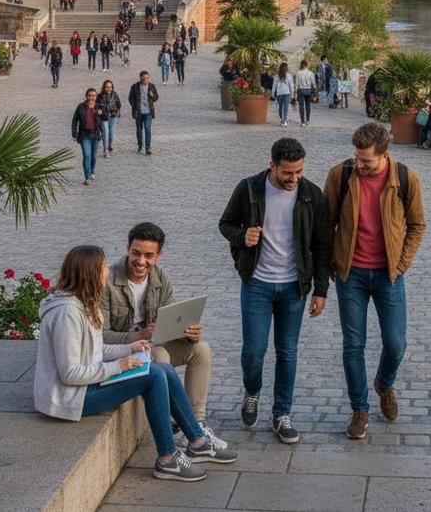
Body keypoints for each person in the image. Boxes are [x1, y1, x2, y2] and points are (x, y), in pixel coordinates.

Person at [34, 245, 236, 483]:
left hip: (87, 384)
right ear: (90, 274)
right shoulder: (67, 314)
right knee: (153, 376)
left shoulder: (84, 304)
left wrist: (130, 348)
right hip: (72, 396)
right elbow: (70, 374)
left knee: (163, 368)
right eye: (103, 267)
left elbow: (96, 350)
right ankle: (167, 459)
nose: (107, 272)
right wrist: (119, 366)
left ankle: (198, 441)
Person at [218, 137, 329, 445]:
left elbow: (322, 245)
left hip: (294, 286)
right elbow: (225, 224)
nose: (294, 179)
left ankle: (282, 414)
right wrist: (243, 236)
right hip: (257, 283)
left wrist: (320, 290)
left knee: (287, 351)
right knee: (254, 352)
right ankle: (252, 390)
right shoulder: (249, 189)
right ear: (272, 166)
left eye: (299, 172)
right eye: (287, 173)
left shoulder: (311, 195)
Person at [323, 122, 427, 440]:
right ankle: (360, 409)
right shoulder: (340, 175)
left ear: (384, 155)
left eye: (366, 160)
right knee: (353, 345)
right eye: (357, 157)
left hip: (388, 275)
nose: (360, 164)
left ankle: (384, 383)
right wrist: (331, 264)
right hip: (351, 274)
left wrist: (402, 263)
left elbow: (417, 225)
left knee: (396, 343)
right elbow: (325, 224)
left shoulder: (405, 178)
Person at [102, 222, 213, 425]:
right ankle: (169, 420)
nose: (141, 261)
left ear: (159, 255)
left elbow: (171, 321)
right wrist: (139, 336)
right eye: (136, 253)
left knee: (201, 350)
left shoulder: (161, 277)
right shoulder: (108, 281)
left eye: (148, 255)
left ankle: (196, 423)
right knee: (160, 355)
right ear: (127, 249)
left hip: (151, 344)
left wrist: (189, 335)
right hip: (121, 351)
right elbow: (101, 336)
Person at [71, 88, 103, 185]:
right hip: (84, 135)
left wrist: (102, 112)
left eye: (93, 96)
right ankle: (87, 177)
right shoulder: (81, 106)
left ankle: (92, 171)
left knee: (93, 157)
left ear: (96, 97)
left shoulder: (99, 106)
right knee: (87, 156)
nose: (91, 97)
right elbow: (75, 120)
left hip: (96, 134)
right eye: (89, 95)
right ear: (86, 96)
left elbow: (105, 117)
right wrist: (74, 133)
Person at [129, 70, 159, 155]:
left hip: (148, 112)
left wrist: (152, 95)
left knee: (147, 129)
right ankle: (140, 145)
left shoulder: (151, 86)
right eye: (143, 79)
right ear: (140, 78)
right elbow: (130, 98)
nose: (145, 80)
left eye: (147, 78)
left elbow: (156, 98)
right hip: (138, 112)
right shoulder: (135, 86)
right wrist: (134, 106)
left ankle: (148, 148)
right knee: (139, 130)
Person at [98, 79, 121, 157]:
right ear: (104, 87)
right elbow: (97, 105)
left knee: (111, 134)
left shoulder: (114, 94)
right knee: (105, 133)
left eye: (110, 87)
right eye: (107, 87)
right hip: (104, 117)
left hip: (113, 117)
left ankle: (109, 145)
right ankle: (105, 151)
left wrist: (115, 111)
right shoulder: (100, 96)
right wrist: (100, 111)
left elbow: (119, 104)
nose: (108, 88)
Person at [271, 61, 295, 127]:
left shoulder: (276, 76)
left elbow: (274, 86)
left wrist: (272, 94)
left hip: (279, 94)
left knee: (280, 108)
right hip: (287, 93)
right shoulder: (289, 76)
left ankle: (283, 120)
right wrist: (292, 94)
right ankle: (284, 120)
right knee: (286, 108)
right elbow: (291, 86)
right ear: (287, 68)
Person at [293, 59, 316, 127]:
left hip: (300, 90)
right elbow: (313, 83)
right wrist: (314, 92)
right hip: (308, 90)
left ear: (301, 65)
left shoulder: (298, 73)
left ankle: (302, 122)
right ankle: (307, 120)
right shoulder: (311, 73)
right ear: (307, 65)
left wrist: (295, 93)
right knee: (308, 105)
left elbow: (296, 84)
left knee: (301, 106)